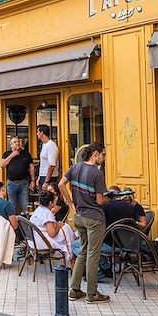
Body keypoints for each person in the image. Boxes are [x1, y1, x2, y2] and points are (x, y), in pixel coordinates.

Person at [60, 142, 109, 304]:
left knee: (82, 251)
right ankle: (92, 293)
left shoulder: (75, 167)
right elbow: (100, 200)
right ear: (95, 154)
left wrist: (70, 203)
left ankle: (74, 289)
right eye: (103, 154)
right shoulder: (97, 173)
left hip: (79, 216)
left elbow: (61, 184)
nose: (104, 157)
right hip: (94, 217)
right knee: (93, 255)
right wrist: (109, 197)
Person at [30, 190, 75, 263]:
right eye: (55, 200)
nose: (56, 201)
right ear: (50, 203)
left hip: (33, 241)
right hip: (41, 243)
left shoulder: (39, 209)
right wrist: (59, 225)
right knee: (65, 228)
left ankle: (73, 249)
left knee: (66, 228)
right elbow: (52, 233)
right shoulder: (47, 213)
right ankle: (72, 255)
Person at [0, 137, 35, 215]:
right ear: (11, 145)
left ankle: (26, 227)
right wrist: (12, 155)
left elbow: (32, 167)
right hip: (11, 183)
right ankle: (13, 226)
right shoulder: (7, 154)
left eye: (18, 141)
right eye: (15, 142)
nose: (17, 143)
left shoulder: (26, 153)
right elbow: (2, 165)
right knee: (12, 207)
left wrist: (33, 181)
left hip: (24, 183)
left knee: (25, 207)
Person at [36, 125, 59, 191]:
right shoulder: (44, 144)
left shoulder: (51, 145)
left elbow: (52, 165)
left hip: (50, 178)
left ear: (42, 132)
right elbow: (44, 163)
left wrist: (46, 182)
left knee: (47, 199)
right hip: (44, 176)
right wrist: (39, 177)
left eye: (38, 132)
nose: (37, 134)